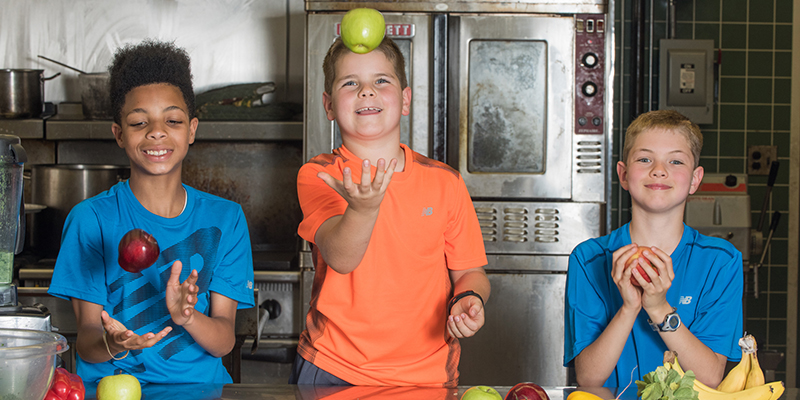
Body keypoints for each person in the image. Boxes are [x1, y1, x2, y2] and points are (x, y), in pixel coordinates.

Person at [48, 39, 255, 384]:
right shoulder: (91, 221)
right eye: (139, 123)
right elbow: (86, 341)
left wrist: (186, 316)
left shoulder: (226, 219)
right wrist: (115, 343)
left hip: (197, 391)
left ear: (191, 130)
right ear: (118, 134)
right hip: (115, 389)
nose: (157, 132)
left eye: (172, 120)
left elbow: (223, 341)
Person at [290, 36, 491, 388]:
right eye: (350, 83)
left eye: (381, 80)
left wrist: (469, 298)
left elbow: (470, 273)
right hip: (334, 370)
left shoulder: (446, 182)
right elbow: (341, 257)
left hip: (428, 376)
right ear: (328, 105)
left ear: (406, 99)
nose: (367, 91)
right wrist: (363, 210)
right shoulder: (320, 174)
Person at [564, 110, 743, 388]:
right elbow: (588, 378)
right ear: (623, 175)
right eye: (645, 159)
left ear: (695, 180)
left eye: (676, 161)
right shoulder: (588, 260)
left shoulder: (721, 262)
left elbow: (709, 376)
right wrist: (629, 308)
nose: (659, 169)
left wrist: (659, 308)